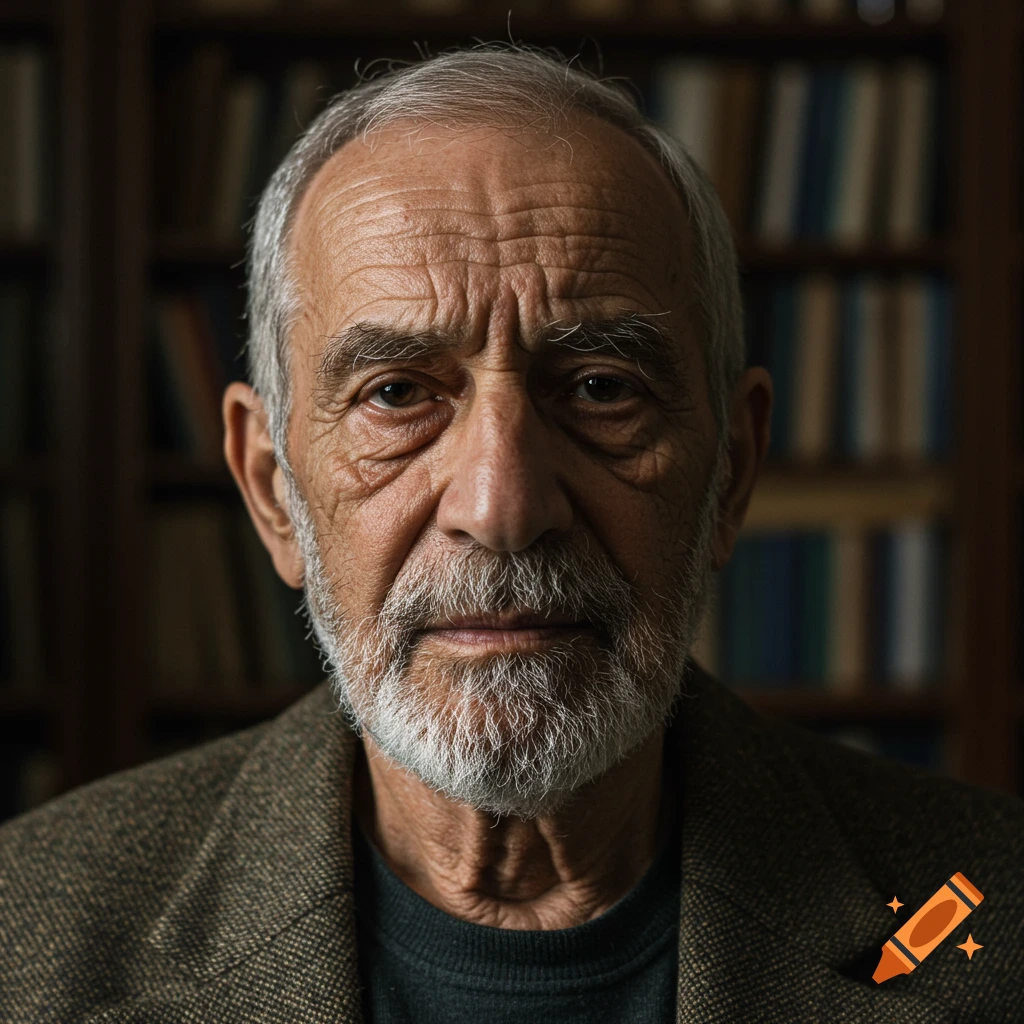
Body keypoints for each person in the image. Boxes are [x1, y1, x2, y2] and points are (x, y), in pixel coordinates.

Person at [1, 44, 1021, 1024]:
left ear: (729, 475)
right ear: (272, 491)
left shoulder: (993, 918)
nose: (500, 505)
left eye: (599, 389)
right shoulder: (26, 938)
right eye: (396, 393)